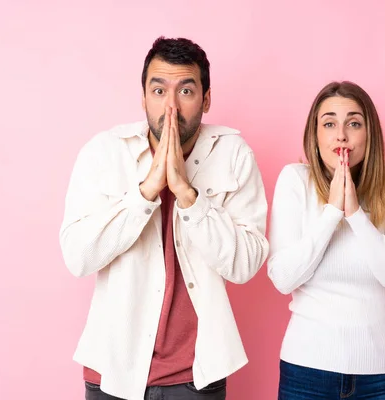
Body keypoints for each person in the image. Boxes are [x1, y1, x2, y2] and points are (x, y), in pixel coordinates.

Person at [59, 36, 269, 400]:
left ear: (205, 99)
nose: (170, 106)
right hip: (113, 371)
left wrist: (188, 195)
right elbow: (78, 258)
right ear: (142, 97)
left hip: (197, 375)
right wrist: (145, 192)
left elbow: (245, 265)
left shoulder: (233, 153)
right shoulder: (104, 152)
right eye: (158, 91)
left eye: (185, 91)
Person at [267, 81, 385, 399]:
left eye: (353, 123)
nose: (341, 135)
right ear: (316, 134)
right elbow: (283, 278)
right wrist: (331, 214)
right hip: (305, 372)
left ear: (369, 133)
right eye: (329, 124)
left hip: (379, 377)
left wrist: (356, 216)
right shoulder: (295, 181)